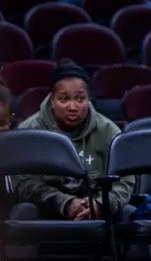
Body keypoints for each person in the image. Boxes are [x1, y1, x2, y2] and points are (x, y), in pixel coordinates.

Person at [14, 62, 133, 219]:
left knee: (129, 213)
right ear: (52, 100)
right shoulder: (28, 132)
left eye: (80, 99)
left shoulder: (109, 131)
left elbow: (124, 181)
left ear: (89, 99)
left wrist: (100, 204)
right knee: (23, 212)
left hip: (97, 209)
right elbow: (25, 185)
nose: (72, 107)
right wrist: (66, 203)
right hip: (47, 210)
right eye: (64, 99)